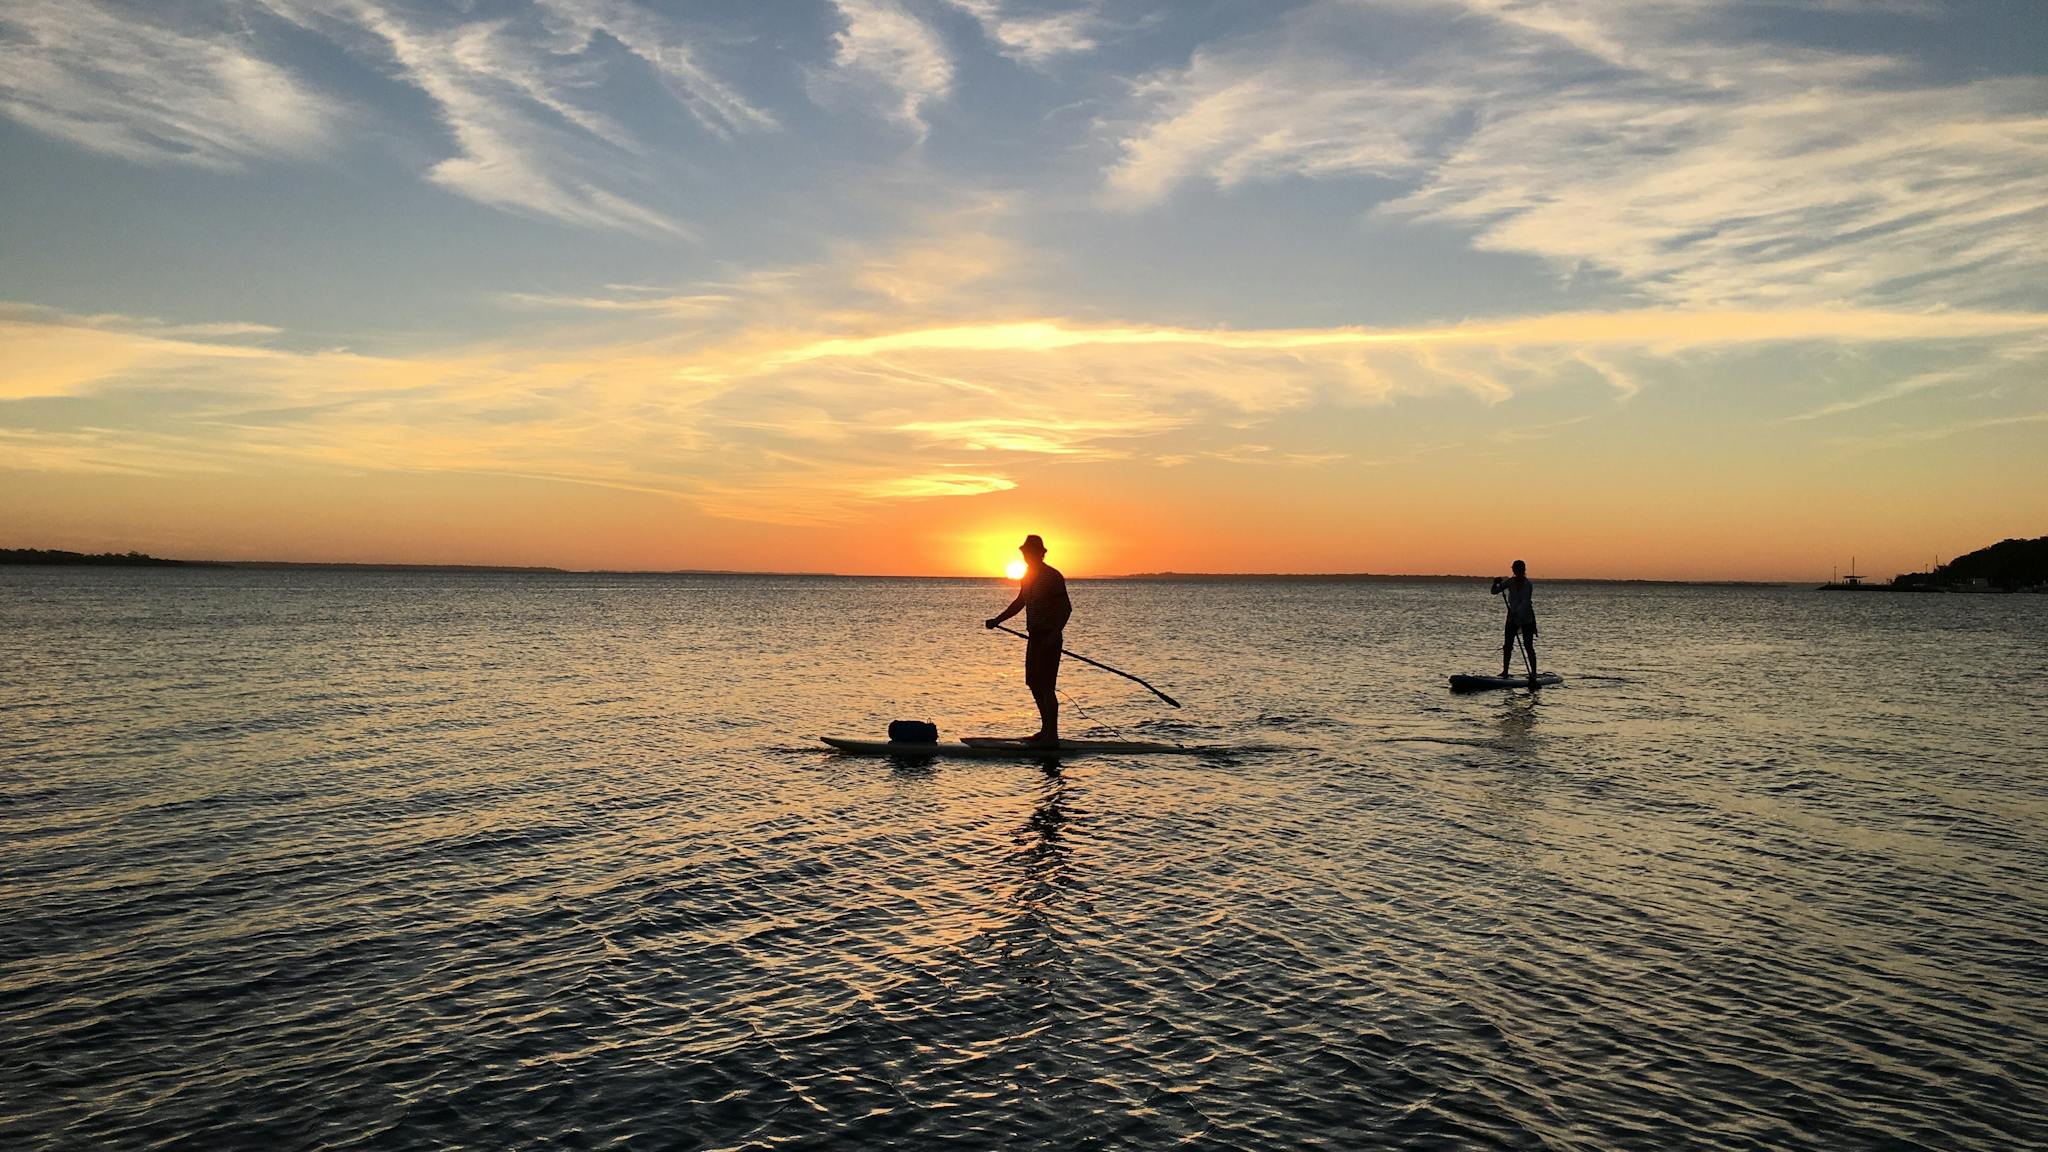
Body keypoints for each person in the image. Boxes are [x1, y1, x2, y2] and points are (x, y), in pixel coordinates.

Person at [985, 535, 1072, 747]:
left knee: (1046, 686)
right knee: (1033, 684)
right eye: (1023, 553)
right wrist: (998, 620)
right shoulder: (1027, 576)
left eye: (1028, 552)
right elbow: (1019, 603)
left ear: (1039, 553)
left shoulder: (1052, 576)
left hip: (1049, 637)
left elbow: (1066, 608)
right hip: (1034, 637)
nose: (1025, 556)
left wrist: (1054, 633)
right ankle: (1045, 731)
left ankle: (1052, 737)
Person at [1491, 559, 1538, 680]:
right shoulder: (1510, 582)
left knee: (1528, 645)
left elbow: (1525, 602)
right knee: (1508, 645)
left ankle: (1533, 673)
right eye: (1514, 569)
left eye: (1517, 570)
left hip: (1526, 618)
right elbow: (1494, 591)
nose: (1515, 571)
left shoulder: (1528, 585)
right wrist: (1495, 583)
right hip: (1512, 618)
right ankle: (1505, 671)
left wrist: (1516, 614)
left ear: (1522, 571)